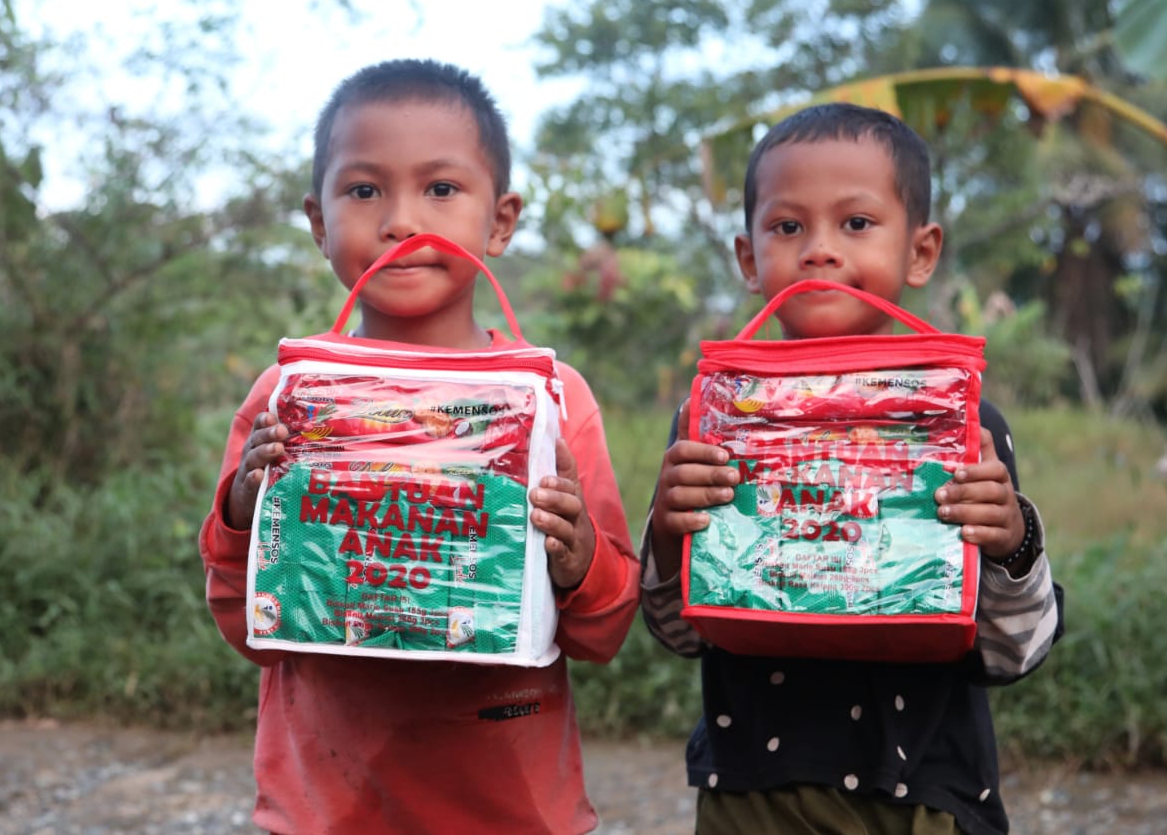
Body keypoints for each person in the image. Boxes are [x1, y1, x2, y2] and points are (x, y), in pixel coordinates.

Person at [198, 59, 639, 834]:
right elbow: (248, 630)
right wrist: (244, 513)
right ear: (317, 220)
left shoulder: (550, 396)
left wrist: (577, 560)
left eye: (440, 189)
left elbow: (602, 632)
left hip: (511, 813)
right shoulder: (287, 399)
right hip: (322, 811)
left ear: (499, 221)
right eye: (364, 190)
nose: (401, 220)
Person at [640, 102, 1064, 835]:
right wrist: (669, 529)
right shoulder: (714, 420)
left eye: (857, 223)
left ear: (922, 251)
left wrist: (1013, 540)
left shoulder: (964, 427)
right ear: (748, 258)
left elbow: (1011, 651)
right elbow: (678, 631)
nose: (820, 250)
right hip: (752, 796)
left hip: (925, 800)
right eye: (787, 227)